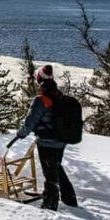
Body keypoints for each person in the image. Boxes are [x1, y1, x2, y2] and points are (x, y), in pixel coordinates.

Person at [16, 66, 77, 211]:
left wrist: (21, 133)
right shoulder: (58, 95)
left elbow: (30, 121)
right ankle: (69, 198)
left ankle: (50, 205)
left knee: (50, 174)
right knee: (56, 167)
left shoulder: (40, 100)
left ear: (40, 80)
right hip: (61, 141)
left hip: (47, 142)